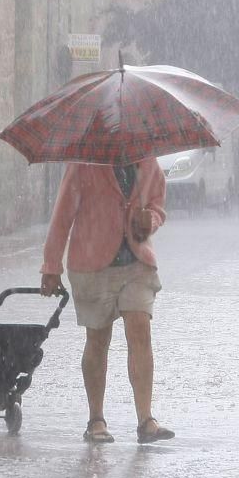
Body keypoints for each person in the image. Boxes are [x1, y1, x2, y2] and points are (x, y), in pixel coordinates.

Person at [39, 158, 175, 444]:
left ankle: (145, 420)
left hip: (136, 262)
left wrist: (150, 219)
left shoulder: (146, 160)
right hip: (92, 263)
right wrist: (51, 265)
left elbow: (157, 202)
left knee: (140, 331)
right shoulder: (84, 162)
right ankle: (96, 419)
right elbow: (63, 214)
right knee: (98, 340)